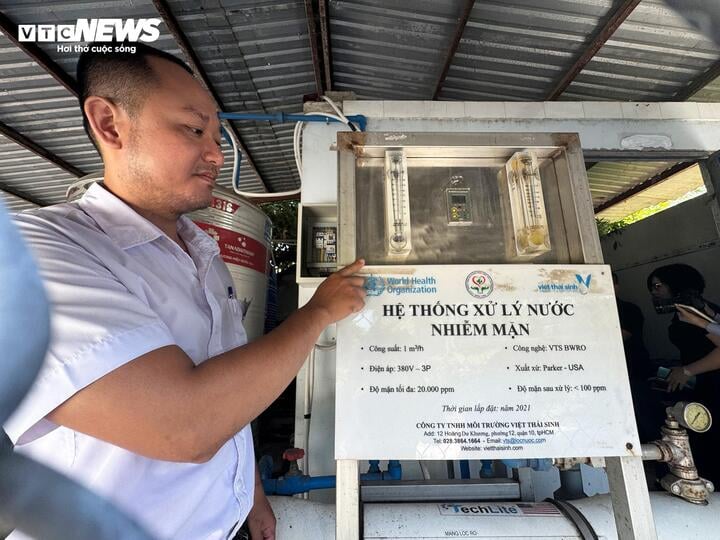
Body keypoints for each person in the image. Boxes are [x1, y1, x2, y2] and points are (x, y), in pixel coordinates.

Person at [3, 43, 366, 540]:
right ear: (109, 124)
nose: (217, 154)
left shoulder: (204, 256)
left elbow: (229, 396)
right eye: (194, 130)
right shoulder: (37, 250)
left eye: (218, 136)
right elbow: (183, 425)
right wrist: (318, 311)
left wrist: (251, 498)